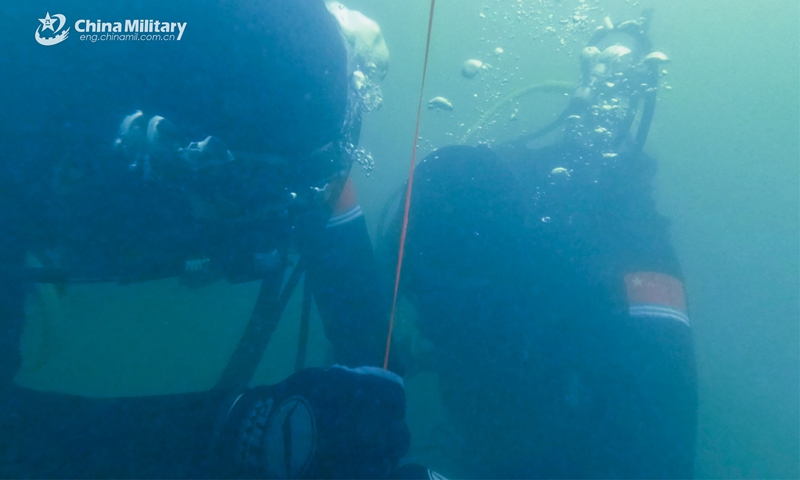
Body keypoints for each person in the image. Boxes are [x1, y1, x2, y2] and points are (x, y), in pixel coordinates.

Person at [0, 1, 425, 477]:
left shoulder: (303, 160)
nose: (285, 204)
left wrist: (374, 428)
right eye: (252, 186)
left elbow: (364, 336)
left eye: (313, 173)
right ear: (168, 147)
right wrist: (223, 431)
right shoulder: (26, 142)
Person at [381, 15, 697, 479]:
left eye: (451, 301)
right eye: (424, 296)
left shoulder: (615, 260)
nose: (432, 318)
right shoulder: (430, 221)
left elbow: (662, 450)